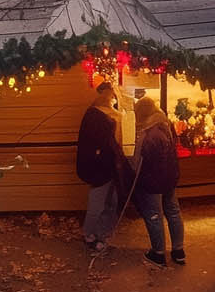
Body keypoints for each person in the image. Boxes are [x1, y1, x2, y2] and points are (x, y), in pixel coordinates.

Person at [131, 98, 184, 268]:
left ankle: (158, 254)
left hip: (153, 181)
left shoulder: (149, 134)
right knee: (173, 212)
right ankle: (178, 250)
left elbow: (141, 161)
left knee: (154, 215)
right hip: (169, 178)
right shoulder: (165, 127)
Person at [75, 81, 123, 253]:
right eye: (112, 95)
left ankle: (102, 234)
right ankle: (90, 235)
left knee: (111, 202)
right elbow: (97, 143)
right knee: (99, 203)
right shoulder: (96, 115)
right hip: (102, 167)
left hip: (110, 165)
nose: (113, 99)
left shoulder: (101, 113)